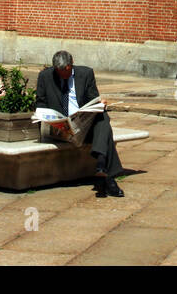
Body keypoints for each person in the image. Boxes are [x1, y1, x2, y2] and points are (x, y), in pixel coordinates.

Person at [35, 50, 124, 198]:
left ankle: (102, 166)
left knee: (102, 117)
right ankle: (106, 175)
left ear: (72, 64)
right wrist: (49, 119)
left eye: (66, 71)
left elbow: (92, 100)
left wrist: (99, 104)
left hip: (82, 125)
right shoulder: (45, 76)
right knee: (106, 133)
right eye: (60, 72)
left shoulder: (86, 74)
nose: (63, 74)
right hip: (60, 129)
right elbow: (40, 103)